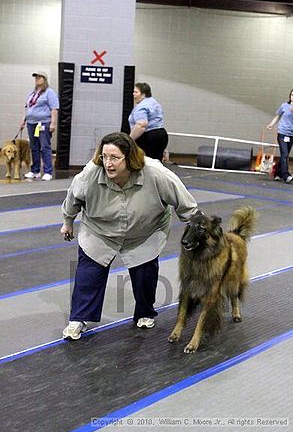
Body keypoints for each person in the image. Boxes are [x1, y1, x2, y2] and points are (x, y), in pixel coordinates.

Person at [61, 132, 198, 340]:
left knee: (145, 273)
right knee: (88, 273)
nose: (108, 163)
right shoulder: (90, 174)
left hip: (145, 231)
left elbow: (184, 202)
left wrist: (197, 226)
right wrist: (68, 221)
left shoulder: (155, 173)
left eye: (114, 158)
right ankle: (78, 319)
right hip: (100, 231)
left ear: (129, 157)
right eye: (104, 157)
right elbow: (73, 198)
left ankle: (145, 312)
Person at [20, 71, 59, 181]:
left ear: (44, 79)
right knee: (34, 147)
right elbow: (28, 108)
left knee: (44, 146)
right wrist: (24, 120)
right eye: (36, 77)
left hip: (43, 123)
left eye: (39, 77)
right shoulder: (32, 93)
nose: (37, 79)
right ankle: (35, 170)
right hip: (31, 123)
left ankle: (48, 171)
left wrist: (53, 123)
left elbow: (54, 109)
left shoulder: (49, 93)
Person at [128, 82, 168, 162]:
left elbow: (141, 125)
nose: (133, 94)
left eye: (136, 92)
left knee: (146, 163)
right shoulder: (155, 103)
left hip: (148, 138)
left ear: (143, 94)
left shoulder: (141, 107)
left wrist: (129, 140)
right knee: (157, 163)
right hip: (162, 135)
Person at [267, 88, 293, 183]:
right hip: (282, 133)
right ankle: (286, 175)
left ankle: (277, 173)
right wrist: (271, 124)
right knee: (285, 154)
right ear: (290, 96)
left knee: (284, 155)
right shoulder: (284, 105)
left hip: (291, 134)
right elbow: (277, 116)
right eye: (292, 95)